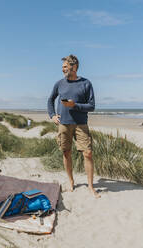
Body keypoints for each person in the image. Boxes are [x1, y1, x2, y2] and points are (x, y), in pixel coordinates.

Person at [47, 54, 100, 198]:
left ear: (74, 67)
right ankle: (71, 182)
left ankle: (90, 186)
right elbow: (50, 100)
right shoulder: (59, 83)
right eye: (63, 66)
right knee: (66, 153)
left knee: (88, 153)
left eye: (65, 66)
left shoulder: (86, 83)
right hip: (63, 124)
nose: (63, 69)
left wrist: (74, 105)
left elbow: (92, 106)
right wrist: (52, 115)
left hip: (81, 124)